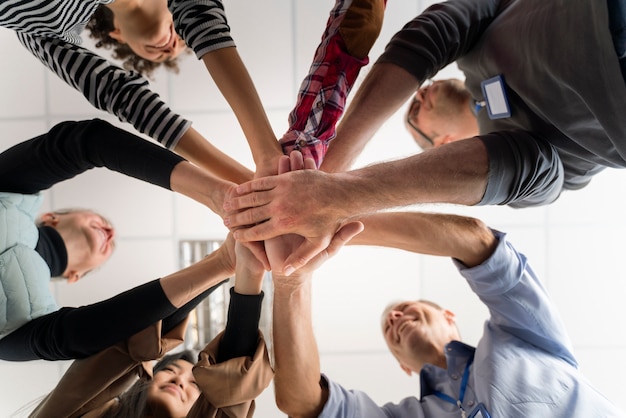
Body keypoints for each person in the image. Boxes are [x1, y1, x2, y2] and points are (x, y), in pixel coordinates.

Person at [222, 0, 626, 274]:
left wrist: (327, 177)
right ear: (444, 146)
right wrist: (336, 196)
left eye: (412, 101)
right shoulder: (560, 173)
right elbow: (526, 168)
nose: (418, 96)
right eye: (416, 114)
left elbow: (435, 32)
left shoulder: (473, 54)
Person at [271, 210, 624, 417]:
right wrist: (292, 277)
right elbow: (301, 401)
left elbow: (477, 242)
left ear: (449, 317)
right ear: (403, 365)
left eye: (406, 308)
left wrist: (332, 228)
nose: (395, 317)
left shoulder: (522, 333)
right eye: (388, 328)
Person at [0, 118, 258, 361]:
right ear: (52, 217)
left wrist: (223, 263)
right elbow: (88, 141)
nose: (110, 233)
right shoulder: (10, 190)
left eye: (108, 249)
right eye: (100, 219)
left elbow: (77, 337)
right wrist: (218, 194)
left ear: (75, 275)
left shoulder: (19, 332)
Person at [1, 0, 280, 180]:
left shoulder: (44, 34)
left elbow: (125, 98)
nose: (173, 46)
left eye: (161, 57)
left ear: (118, 34)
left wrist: (251, 184)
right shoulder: (194, 15)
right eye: (182, 36)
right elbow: (202, 19)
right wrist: (268, 155)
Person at [28, 239, 273, 418]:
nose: (179, 381)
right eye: (172, 370)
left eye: (195, 384)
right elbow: (134, 344)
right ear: (147, 379)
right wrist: (230, 263)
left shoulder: (217, 405)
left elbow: (232, 382)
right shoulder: (91, 411)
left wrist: (244, 269)